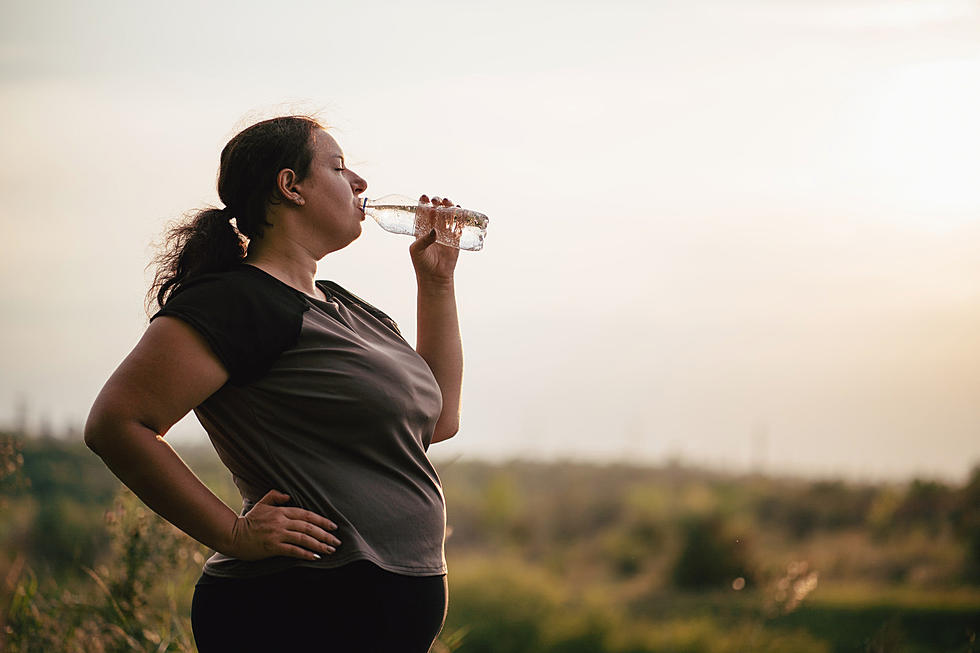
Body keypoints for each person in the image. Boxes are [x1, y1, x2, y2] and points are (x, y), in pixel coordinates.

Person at [83, 115, 464, 652]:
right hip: (293, 609)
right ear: (291, 187)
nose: (360, 183)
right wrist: (232, 534)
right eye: (338, 167)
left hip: (382, 612)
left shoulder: (351, 309)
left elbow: (441, 421)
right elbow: (116, 424)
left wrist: (437, 282)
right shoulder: (237, 302)